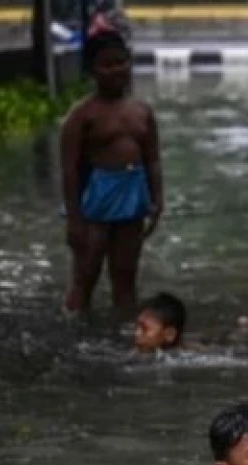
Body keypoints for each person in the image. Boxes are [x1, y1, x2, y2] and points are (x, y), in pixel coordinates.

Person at [60, 30, 163, 317]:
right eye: (107, 65)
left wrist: (158, 199)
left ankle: (123, 330)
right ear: (92, 70)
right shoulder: (82, 115)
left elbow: (152, 159)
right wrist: (74, 219)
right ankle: (75, 327)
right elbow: (69, 170)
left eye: (121, 62)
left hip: (132, 198)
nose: (116, 70)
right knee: (86, 273)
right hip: (96, 200)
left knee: (126, 274)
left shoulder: (142, 112)